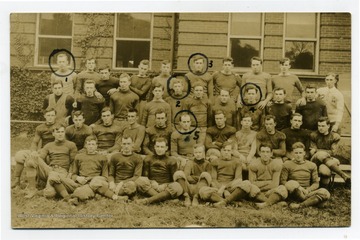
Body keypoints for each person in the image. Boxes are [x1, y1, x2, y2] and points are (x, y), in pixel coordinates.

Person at [256, 142, 331, 209]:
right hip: (292, 191)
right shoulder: (287, 164)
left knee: (325, 192)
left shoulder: (312, 165)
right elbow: (283, 181)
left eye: (300, 153)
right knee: (289, 184)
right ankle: (266, 204)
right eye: (296, 153)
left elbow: (316, 183)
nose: (298, 155)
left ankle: (300, 205)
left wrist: (308, 190)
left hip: (306, 192)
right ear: (292, 153)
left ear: (304, 153)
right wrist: (299, 187)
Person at [20, 123, 78, 199]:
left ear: (64, 133)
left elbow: (74, 162)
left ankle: (46, 190)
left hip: (62, 172)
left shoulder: (71, 145)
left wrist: (70, 174)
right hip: (49, 169)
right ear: (53, 134)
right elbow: (41, 157)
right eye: (57, 132)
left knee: (50, 194)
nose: (60, 134)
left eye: (62, 132)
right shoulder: (49, 145)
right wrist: (34, 153)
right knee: (32, 158)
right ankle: (32, 189)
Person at [214, 144, 282, 207]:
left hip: (271, 191)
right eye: (263, 152)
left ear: (271, 154)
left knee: (282, 189)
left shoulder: (276, 164)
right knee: (248, 184)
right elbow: (252, 183)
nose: (265, 154)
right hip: (257, 191)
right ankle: (225, 202)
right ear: (260, 153)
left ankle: (266, 203)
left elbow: (275, 185)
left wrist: (262, 184)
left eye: (267, 152)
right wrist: (268, 182)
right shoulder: (253, 164)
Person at [63, 135, 117, 205]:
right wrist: (78, 178)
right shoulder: (79, 156)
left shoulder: (102, 158)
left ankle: (75, 198)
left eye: (93, 144)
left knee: (83, 192)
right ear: (85, 145)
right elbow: (73, 174)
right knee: (56, 178)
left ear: (96, 146)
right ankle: (74, 196)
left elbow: (105, 177)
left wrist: (90, 179)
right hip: (79, 182)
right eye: (89, 144)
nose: (91, 146)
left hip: (93, 184)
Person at [11, 108, 57, 189]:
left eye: (52, 115)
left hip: (54, 151)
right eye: (48, 115)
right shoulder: (40, 127)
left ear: (55, 116)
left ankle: (38, 181)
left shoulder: (60, 126)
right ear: (44, 116)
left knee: (43, 159)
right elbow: (35, 142)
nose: (50, 117)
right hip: (42, 150)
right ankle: (16, 180)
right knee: (20, 155)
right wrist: (33, 151)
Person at [135, 137, 183, 205]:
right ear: (154, 147)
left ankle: (148, 200)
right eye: (157, 146)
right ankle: (164, 200)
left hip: (165, 188)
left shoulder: (171, 160)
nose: (159, 149)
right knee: (140, 180)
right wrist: (152, 182)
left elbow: (174, 179)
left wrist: (165, 185)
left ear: (166, 148)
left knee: (177, 186)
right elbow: (145, 176)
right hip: (151, 187)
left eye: (162, 147)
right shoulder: (148, 159)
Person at [309, 117, 350, 187]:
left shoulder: (335, 136)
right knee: (320, 154)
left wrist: (317, 150)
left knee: (325, 172)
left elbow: (333, 152)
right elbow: (312, 152)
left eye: (323, 126)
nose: (320, 128)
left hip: (328, 162)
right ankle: (342, 174)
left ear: (328, 126)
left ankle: (323, 189)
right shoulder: (313, 135)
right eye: (319, 126)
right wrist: (321, 152)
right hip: (315, 161)